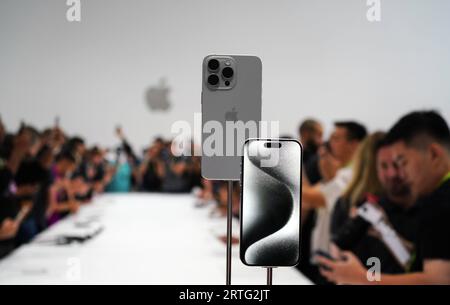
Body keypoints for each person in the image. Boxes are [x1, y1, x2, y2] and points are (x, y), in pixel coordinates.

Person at [317, 111, 450, 284]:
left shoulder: (440, 202)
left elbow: (438, 280)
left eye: (402, 162)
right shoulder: (371, 206)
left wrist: (362, 278)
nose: (398, 173)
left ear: (433, 154)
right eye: (385, 166)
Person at [329, 132, 420, 275]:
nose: (392, 173)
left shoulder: (346, 202)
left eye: (396, 164)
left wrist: (385, 230)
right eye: (384, 165)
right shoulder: (347, 203)